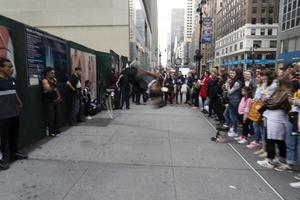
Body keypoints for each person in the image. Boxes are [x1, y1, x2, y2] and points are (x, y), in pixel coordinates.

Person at [257, 78, 292, 169]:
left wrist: (267, 99)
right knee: (277, 139)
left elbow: (273, 103)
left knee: (271, 139)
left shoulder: (285, 92)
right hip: (275, 116)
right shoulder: (281, 91)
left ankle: (270, 160)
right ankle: (279, 159)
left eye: (277, 83)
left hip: (276, 117)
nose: (276, 84)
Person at [0, 58, 27, 170]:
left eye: (11, 67)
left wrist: (19, 101)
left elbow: (13, 92)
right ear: (1, 68)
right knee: (2, 138)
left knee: (13, 135)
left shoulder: (11, 80)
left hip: (14, 113)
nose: (11, 69)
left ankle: (14, 152)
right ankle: (1, 159)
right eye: (9, 67)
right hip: (2, 115)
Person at [42, 67, 62, 136]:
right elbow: (48, 89)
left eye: (54, 73)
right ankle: (51, 131)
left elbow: (56, 89)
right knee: (51, 116)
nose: (53, 74)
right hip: (49, 101)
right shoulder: (45, 80)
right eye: (52, 73)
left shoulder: (54, 79)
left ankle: (57, 130)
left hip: (56, 100)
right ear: (47, 73)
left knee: (58, 115)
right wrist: (54, 84)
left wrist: (59, 97)